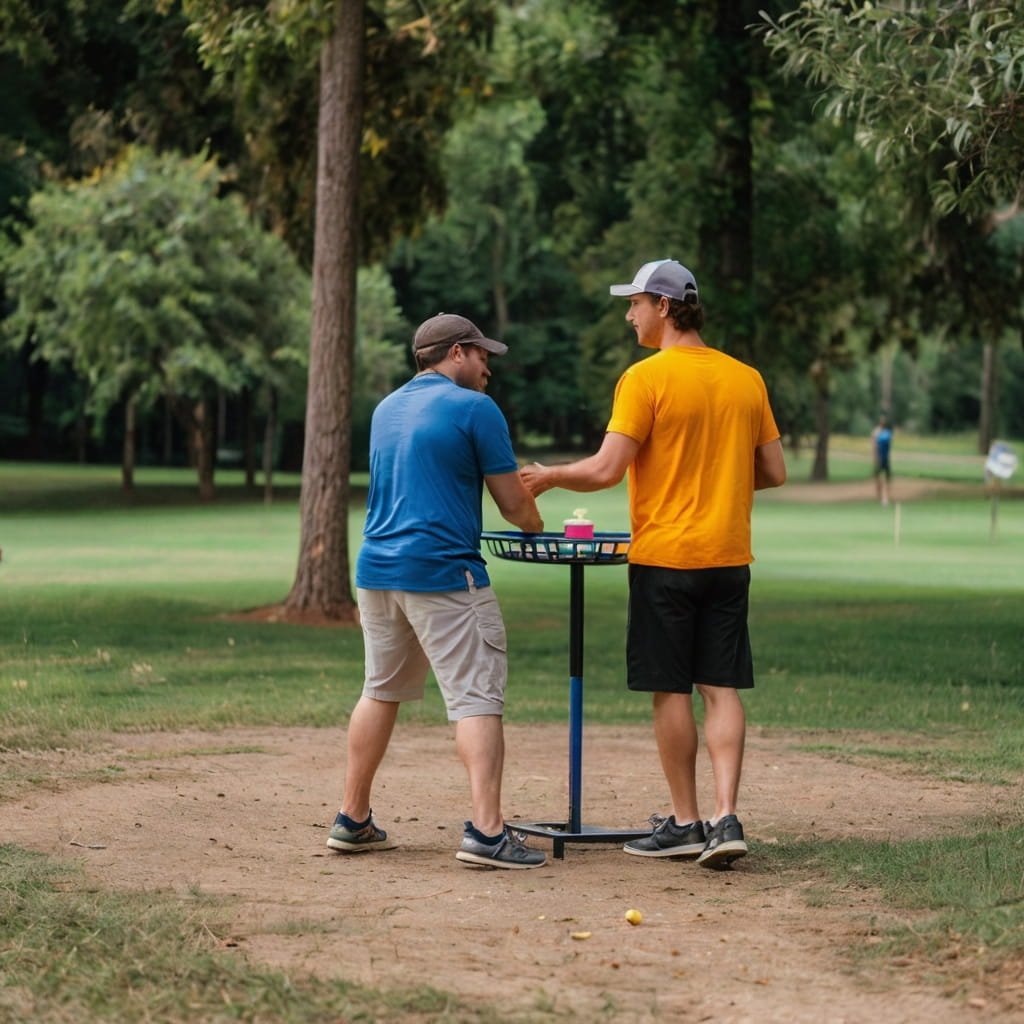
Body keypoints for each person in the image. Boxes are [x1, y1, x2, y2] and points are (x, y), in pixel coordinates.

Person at [521, 259, 786, 870]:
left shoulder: (646, 379)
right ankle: (727, 817)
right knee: (720, 687)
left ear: (664, 307)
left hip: (666, 558)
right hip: (728, 557)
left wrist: (550, 475)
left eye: (635, 303)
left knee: (670, 689)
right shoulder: (747, 379)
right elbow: (773, 471)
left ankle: (686, 823)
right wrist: (716, 476)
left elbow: (607, 469)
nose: (628, 313)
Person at [327, 312, 548, 870]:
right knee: (477, 696)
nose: (488, 369)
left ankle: (352, 818)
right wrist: (535, 522)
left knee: (380, 689)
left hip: (377, 570)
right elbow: (514, 504)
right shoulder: (475, 409)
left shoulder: (386, 409)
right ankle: (488, 834)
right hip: (445, 574)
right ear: (455, 353)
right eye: (482, 356)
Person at [872, 414, 893, 506]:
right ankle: (879, 496)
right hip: (879, 457)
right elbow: (874, 446)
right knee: (878, 478)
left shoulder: (888, 433)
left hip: (886, 458)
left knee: (887, 478)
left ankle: (886, 497)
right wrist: (875, 457)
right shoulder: (876, 432)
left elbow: (889, 446)